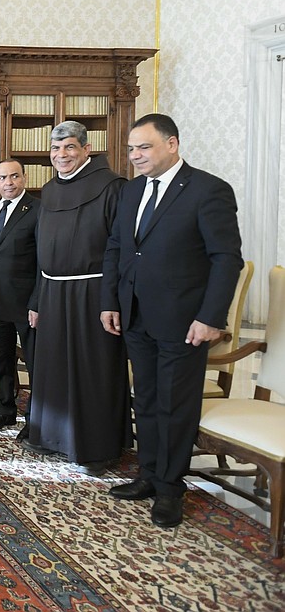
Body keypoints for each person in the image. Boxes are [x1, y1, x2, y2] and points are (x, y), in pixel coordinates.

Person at [101, 113, 242, 528]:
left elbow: (226, 259)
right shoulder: (131, 191)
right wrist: (111, 301)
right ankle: (148, 473)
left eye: (144, 147)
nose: (135, 156)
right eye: (131, 149)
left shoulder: (208, 189)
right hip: (134, 313)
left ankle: (170, 488)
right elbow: (116, 247)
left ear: (172, 144)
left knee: (174, 403)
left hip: (184, 320)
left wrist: (210, 317)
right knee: (144, 397)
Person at [25, 121, 130, 475]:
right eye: (55, 149)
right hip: (52, 291)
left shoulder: (112, 187)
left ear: (86, 149)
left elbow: (121, 249)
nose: (61, 155)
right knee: (53, 366)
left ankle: (97, 448)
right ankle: (52, 436)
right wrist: (37, 300)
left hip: (93, 294)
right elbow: (42, 252)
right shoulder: (50, 190)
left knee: (92, 370)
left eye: (69, 147)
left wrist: (111, 300)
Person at [0, 159, 38, 433]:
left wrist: (37, 302)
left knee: (35, 364)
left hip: (26, 302)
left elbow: (43, 261)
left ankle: (35, 419)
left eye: (14, 176)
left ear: (24, 178)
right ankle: (4, 410)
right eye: (2, 178)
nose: (8, 183)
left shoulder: (38, 210)